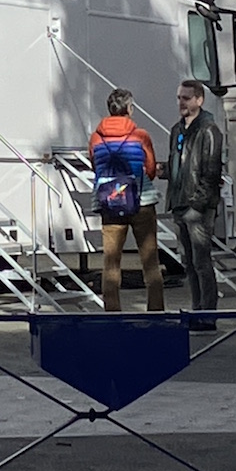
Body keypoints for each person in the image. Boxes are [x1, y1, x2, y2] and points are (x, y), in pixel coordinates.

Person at [89, 88, 164, 314]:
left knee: (111, 263)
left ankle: (112, 314)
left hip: (110, 204)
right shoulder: (140, 136)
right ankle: (156, 312)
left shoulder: (96, 137)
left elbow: (96, 166)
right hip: (141, 202)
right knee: (150, 261)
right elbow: (150, 169)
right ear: (129, 109)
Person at [168, 79, 225, 329]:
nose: (181, 102)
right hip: (180, 203)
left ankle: (208, 315)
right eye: (179, 97)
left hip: (198, 207)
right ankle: (196, 310)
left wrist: (198, 205)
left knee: (202, 263)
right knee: (188, 263)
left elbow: (211, 173)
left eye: (186, 98)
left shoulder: (209, 130)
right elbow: (179, 167)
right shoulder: (177, 130)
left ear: (199, 100)